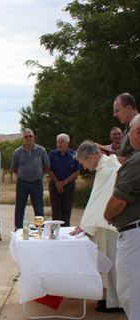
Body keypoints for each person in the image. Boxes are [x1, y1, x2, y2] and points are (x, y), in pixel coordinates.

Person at [71, 140, 122, 313]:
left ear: (91, 157)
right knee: (108, 264)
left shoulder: (108, 170)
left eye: (84, 163)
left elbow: (102, 201)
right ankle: (109, 298)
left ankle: (116, 301)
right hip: (103, 226)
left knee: (113, 264)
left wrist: (87, 225)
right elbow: (96, 200)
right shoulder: (105, 167)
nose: (84, 167)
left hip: (109, 227)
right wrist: (86, 224)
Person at [103, 114, 140, 318]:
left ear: (137, 133)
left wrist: (109, 215)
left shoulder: (138, 160)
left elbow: (119, 199)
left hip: (134, 233)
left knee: (131, 293)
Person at [11, 128, 50, 229]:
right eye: (26, 137)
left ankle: (40, 228)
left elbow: (46, 166)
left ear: (33, 137)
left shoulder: (41, 150)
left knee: (38, 208)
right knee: (20, 207)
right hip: (22, 184)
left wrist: (39, 175)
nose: (28, 138)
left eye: (30, 136)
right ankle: (18, 228)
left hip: (36, 184)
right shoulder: (18, 152)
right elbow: (14, 168)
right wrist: (23, 174)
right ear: (23, 138)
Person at [48, 133, 80, 226]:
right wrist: (58, 183)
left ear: (67, 143)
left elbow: (76, 172)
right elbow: (50, 170)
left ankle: (65, 231)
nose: (59, 145)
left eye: (61, 143)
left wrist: (64, 182)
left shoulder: (74, 154)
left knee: (66, 210)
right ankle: (55, 231)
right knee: (56, 210)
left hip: (68, 185)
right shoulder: (52, 154)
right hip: (55, 185)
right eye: (58, 143)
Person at [113, 93, 138, 164]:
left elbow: (135, 161)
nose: (115, 115)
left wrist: (109, 159)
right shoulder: (127, 129)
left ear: (129, 108)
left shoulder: (137, 129)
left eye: (117, 111)